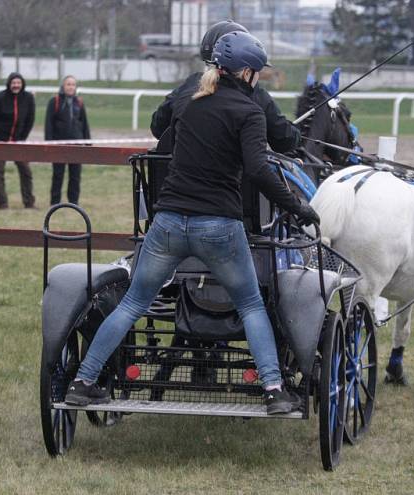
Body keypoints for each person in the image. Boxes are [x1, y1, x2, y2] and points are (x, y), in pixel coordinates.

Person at [65, 31, 320, 415]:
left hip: (167, 223)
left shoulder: (191, 104)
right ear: (247, 72)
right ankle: (273, 390)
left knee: (134, 302)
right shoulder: (250, 113)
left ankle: (83, 382)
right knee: (251, 305)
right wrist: (297, 207)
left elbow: (162, 135)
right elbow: (259, 170)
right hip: (218, 226)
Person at [150, 20, 301, 154]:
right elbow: (284, 140)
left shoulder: (191, 83)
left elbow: (158, 127)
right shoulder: (253, 93)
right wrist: (295, 132)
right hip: (228, 181)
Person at [0, 72, 36, 209]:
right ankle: (3, 204)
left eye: (18, 83)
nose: (16, 85)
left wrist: (22, 138)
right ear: (9, 84)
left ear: (22, 84)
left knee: (26, 172)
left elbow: (30, 120)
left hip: (18, 142)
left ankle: (29, 203)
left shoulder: (28, 98)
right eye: (13, 83)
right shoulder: (0, 98)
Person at [45, 75, 90, 205]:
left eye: (73, 84)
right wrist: (48, 144)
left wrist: (87, 143)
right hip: (59, 144)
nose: (71, 87)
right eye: (68, 84)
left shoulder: (79, 102)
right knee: (58, 175)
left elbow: (84, 124)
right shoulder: (54, 101)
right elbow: (49, 124)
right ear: (63, 86)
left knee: (75, 176)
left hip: (77, 144)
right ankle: (55, 202)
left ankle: (73, 202)